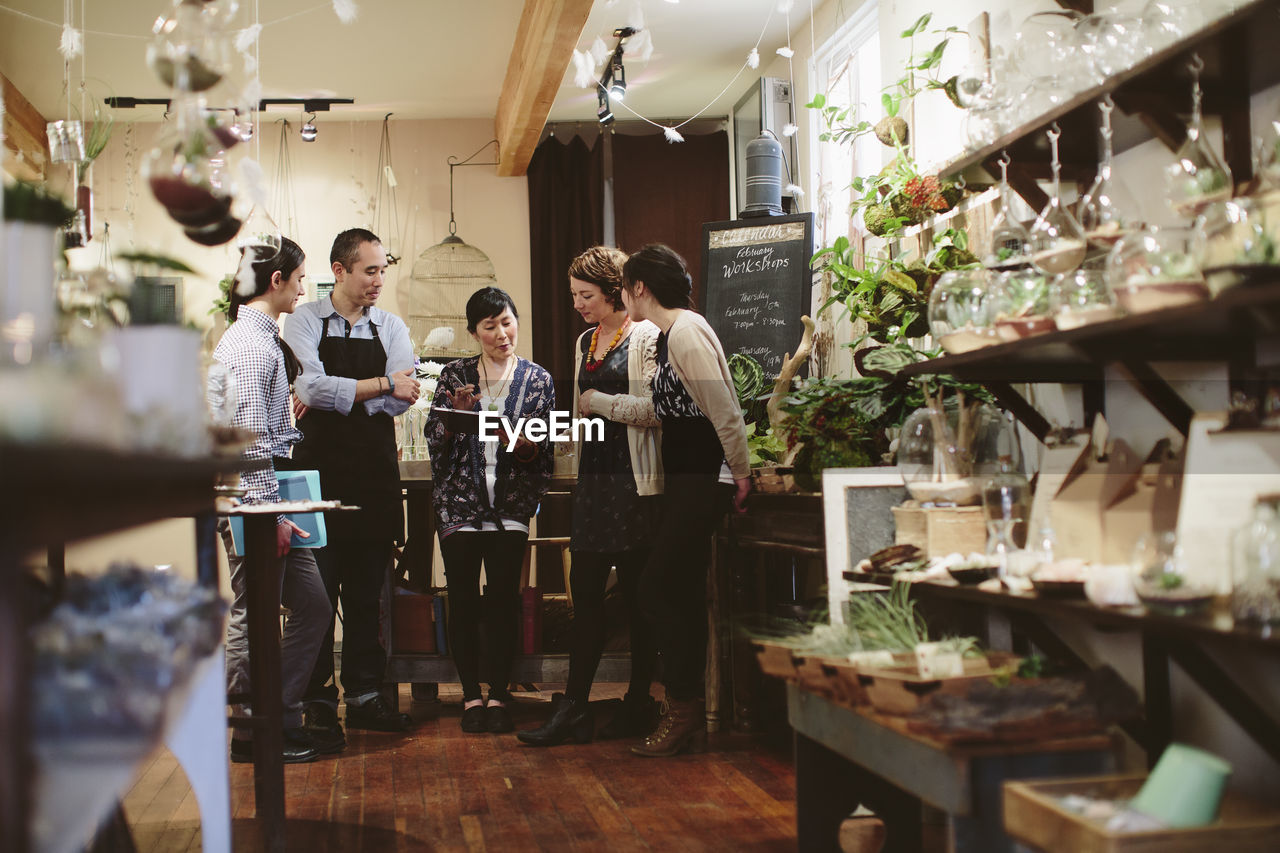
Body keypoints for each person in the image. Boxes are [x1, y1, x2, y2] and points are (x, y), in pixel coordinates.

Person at [518, 247, 663, 747]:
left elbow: (655, 410)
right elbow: (583, 420)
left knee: (642, 605)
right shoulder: (586, 340)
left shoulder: (646, 335)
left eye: (586, 295)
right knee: (587, 600)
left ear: (614, 292)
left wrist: (599, 402)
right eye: (574, 295)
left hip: (636, 485)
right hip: (596, 484)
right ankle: (574, 707)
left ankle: (639, 702)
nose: (577, 304)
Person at [282, 228, 421, 743]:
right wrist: (381, 385)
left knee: (368, 597)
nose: (379, 280)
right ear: (339, 271)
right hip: (316, 476)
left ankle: (365, 696)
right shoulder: (302, 321)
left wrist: (348, 394)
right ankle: (317, 701)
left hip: (373, 476)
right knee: (314, 596)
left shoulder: (392, 326)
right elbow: (309, 388)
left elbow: (405, 398)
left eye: (383, 269)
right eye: (370, 270)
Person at [618, 243, 751, 758]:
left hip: (705, 479)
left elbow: (725, 411)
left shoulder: (688, 332)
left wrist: (740, 475)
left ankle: (683, 706)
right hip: (688, 480)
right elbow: (663, 410)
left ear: (640, 289)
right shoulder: (674, 334)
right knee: (678, 593)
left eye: (624, 287)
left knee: (655, 588)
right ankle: (687, 711)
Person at [211, 238, 332, 764]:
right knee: (254, 612)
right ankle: (249, 732)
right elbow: (244, 440)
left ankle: (277, 717)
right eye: (300, 277)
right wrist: (270, 515)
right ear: (277, 279)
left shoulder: (257, 339)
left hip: (265, 492)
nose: (304, 288)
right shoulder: (249, 344)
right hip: (251, 498)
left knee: (312, 606)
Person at [424, 287, 555, 734]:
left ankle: (499, 693)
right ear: (474, 332)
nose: (502, 333)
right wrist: (452, 417)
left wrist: (523, 447)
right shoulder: (454, 375)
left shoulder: (538, 379)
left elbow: (543, 455)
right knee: (462, 600)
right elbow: (434, 444)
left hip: (512, 505)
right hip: (459, 504)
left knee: (502, 601)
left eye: (507, 322)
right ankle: (469, 696)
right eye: (490, 326)